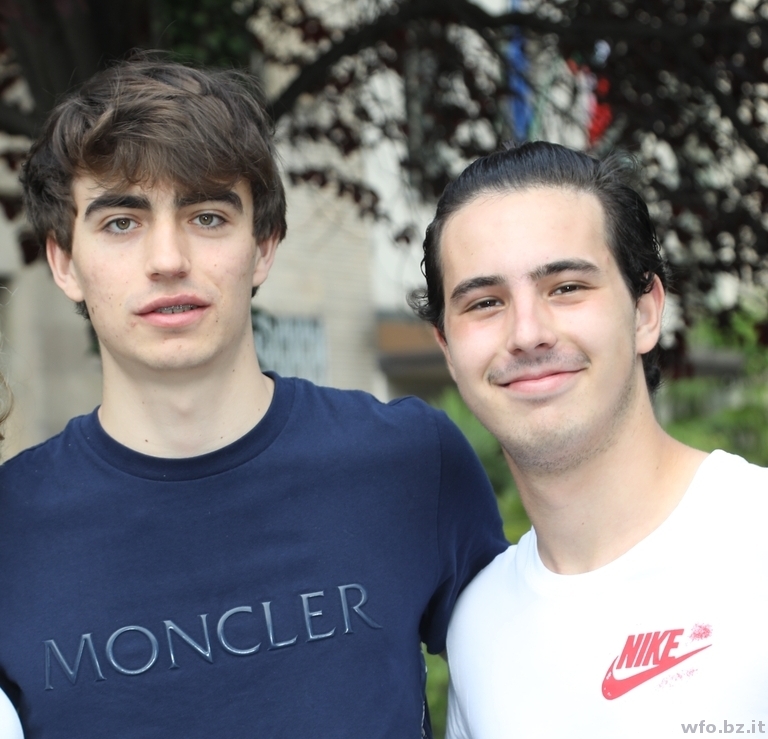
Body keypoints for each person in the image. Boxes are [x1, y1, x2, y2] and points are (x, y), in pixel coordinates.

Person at [0, 58, 507, 738]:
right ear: (64, 261)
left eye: (207, 216)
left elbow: (535, 676)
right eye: (121, 222)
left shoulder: (409, 463)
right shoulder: (11, 529)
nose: (167, 259)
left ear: (263, 246)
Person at [411, 141, 768, 738]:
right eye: (486, 302)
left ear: (645, 312)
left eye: (567, 287)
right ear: (448, 349)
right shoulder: (477, 627)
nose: (527, 333)